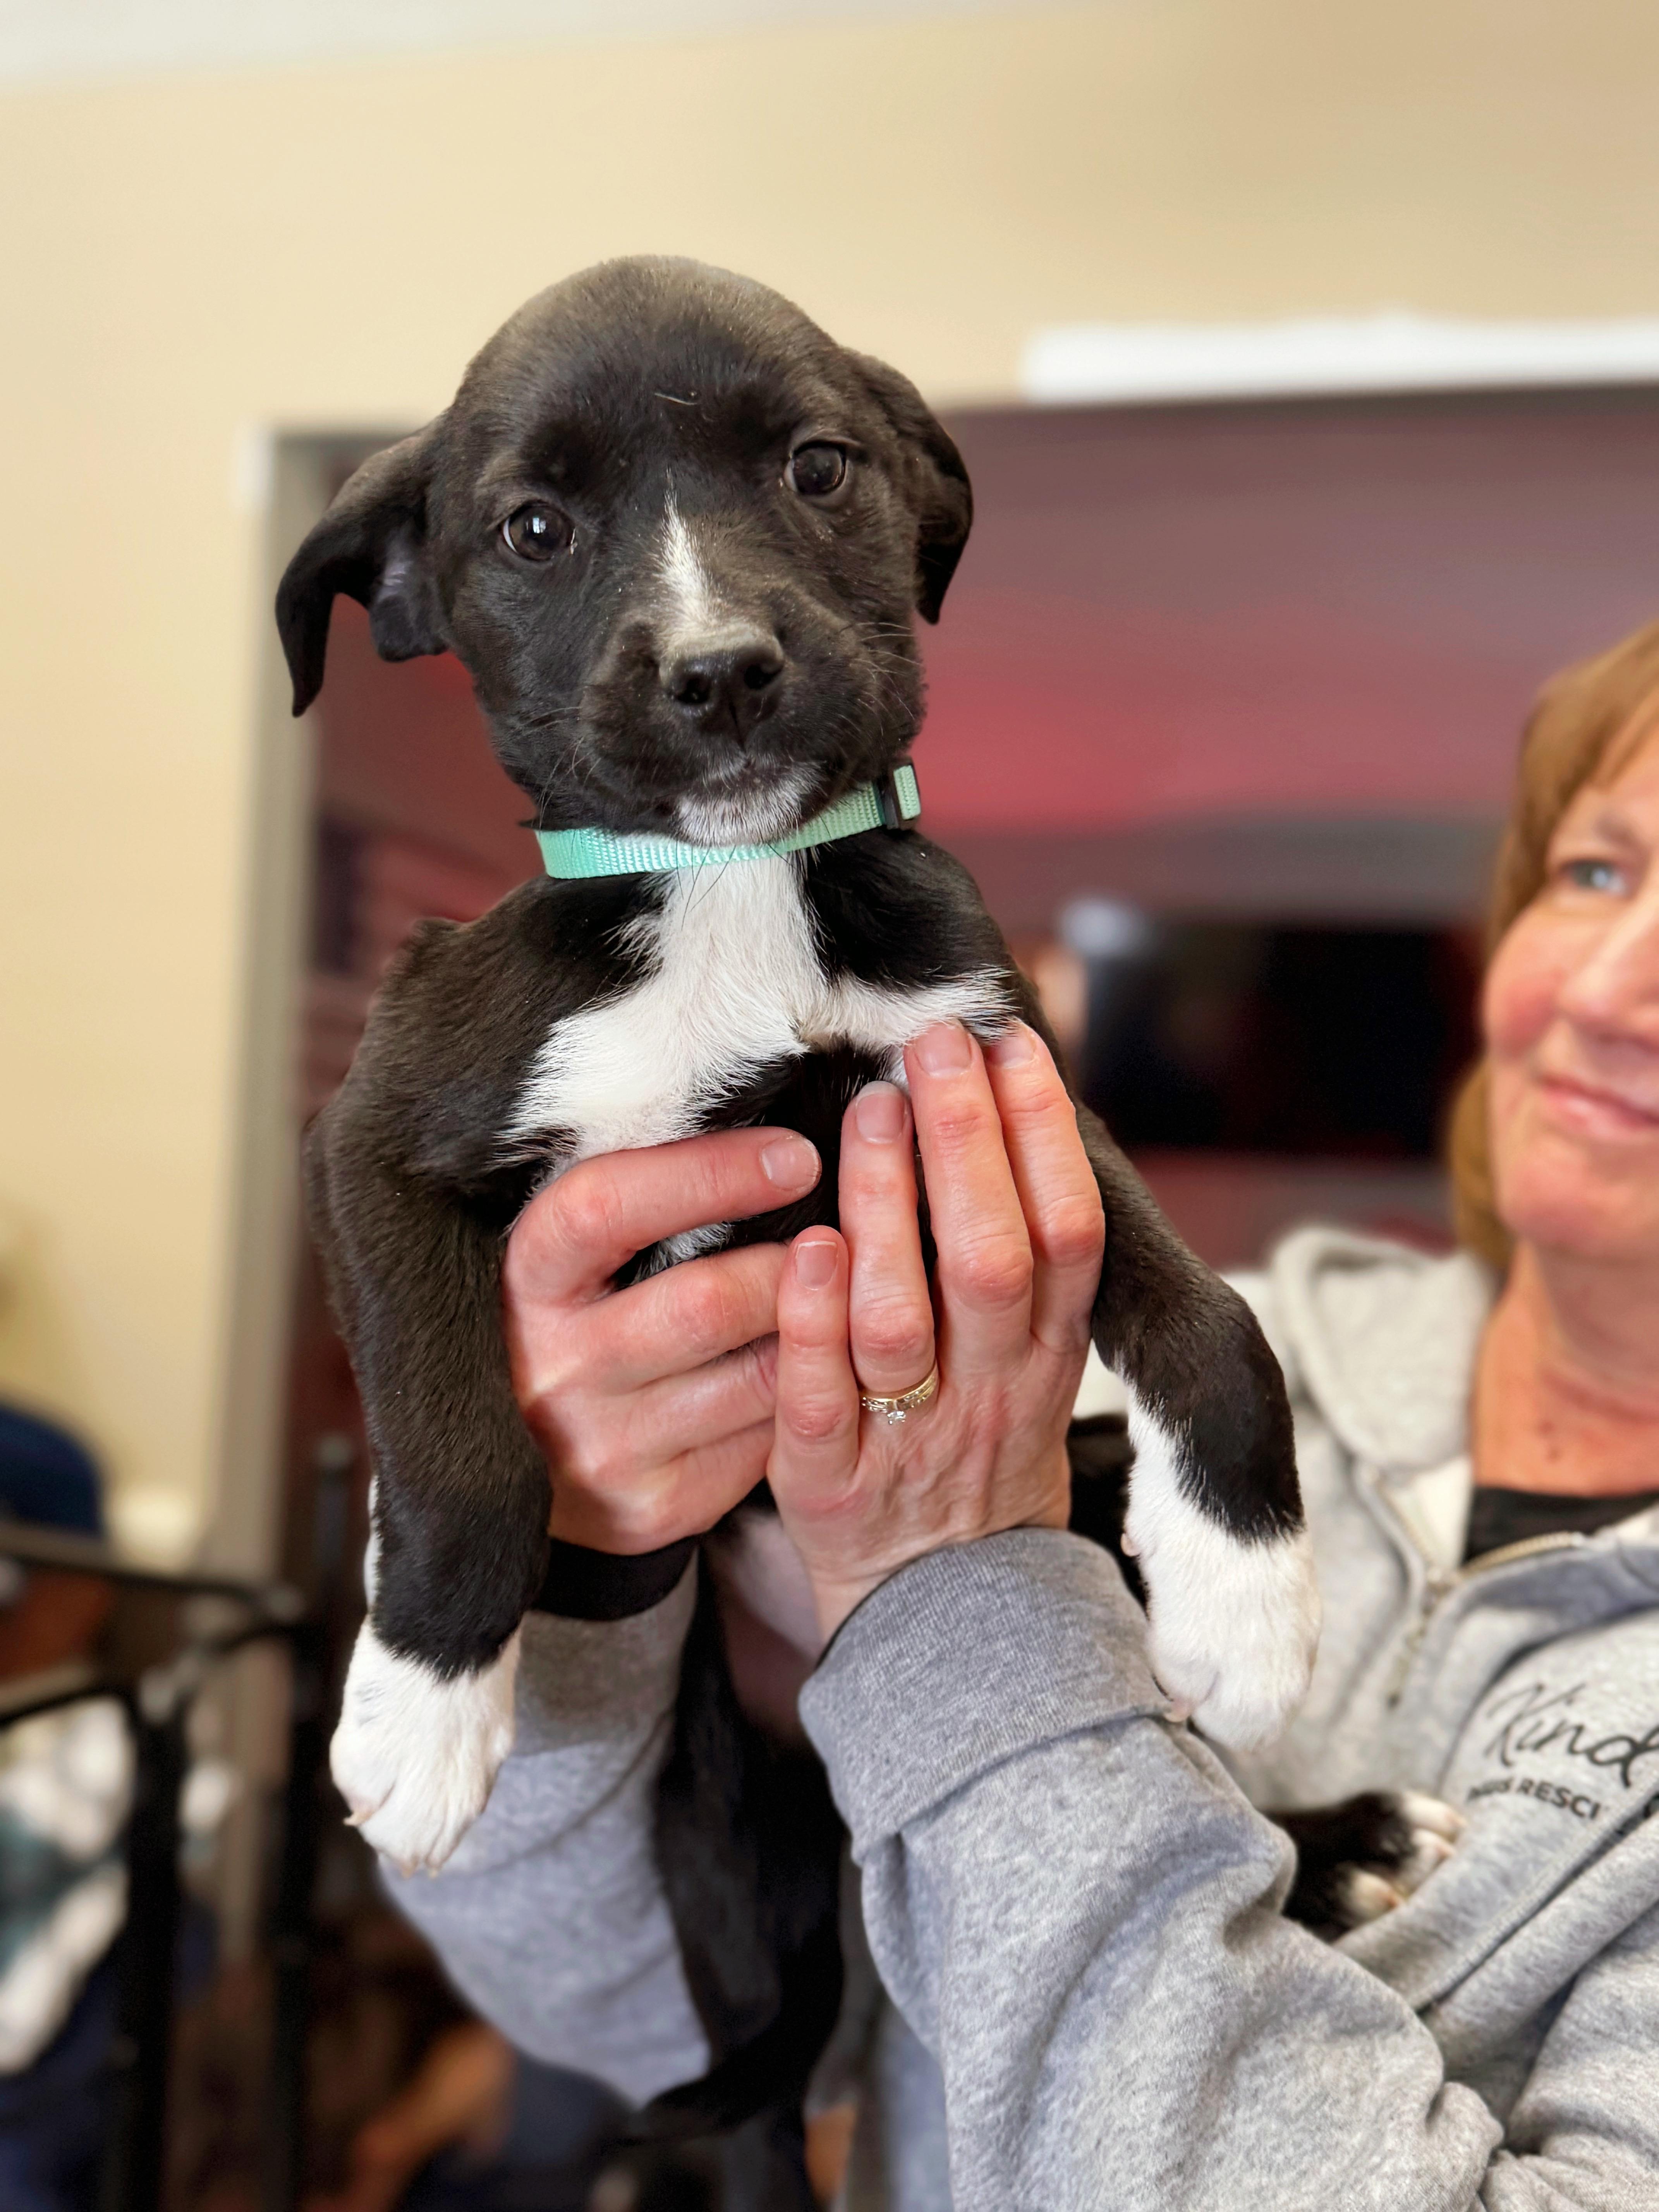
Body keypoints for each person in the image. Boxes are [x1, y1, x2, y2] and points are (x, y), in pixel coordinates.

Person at [389, 620, 1659, 2208]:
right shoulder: (1137, 1351)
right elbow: (655, 2017)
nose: (1612, 991)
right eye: (1597, 874)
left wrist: (962, 1599)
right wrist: (587, 1574)